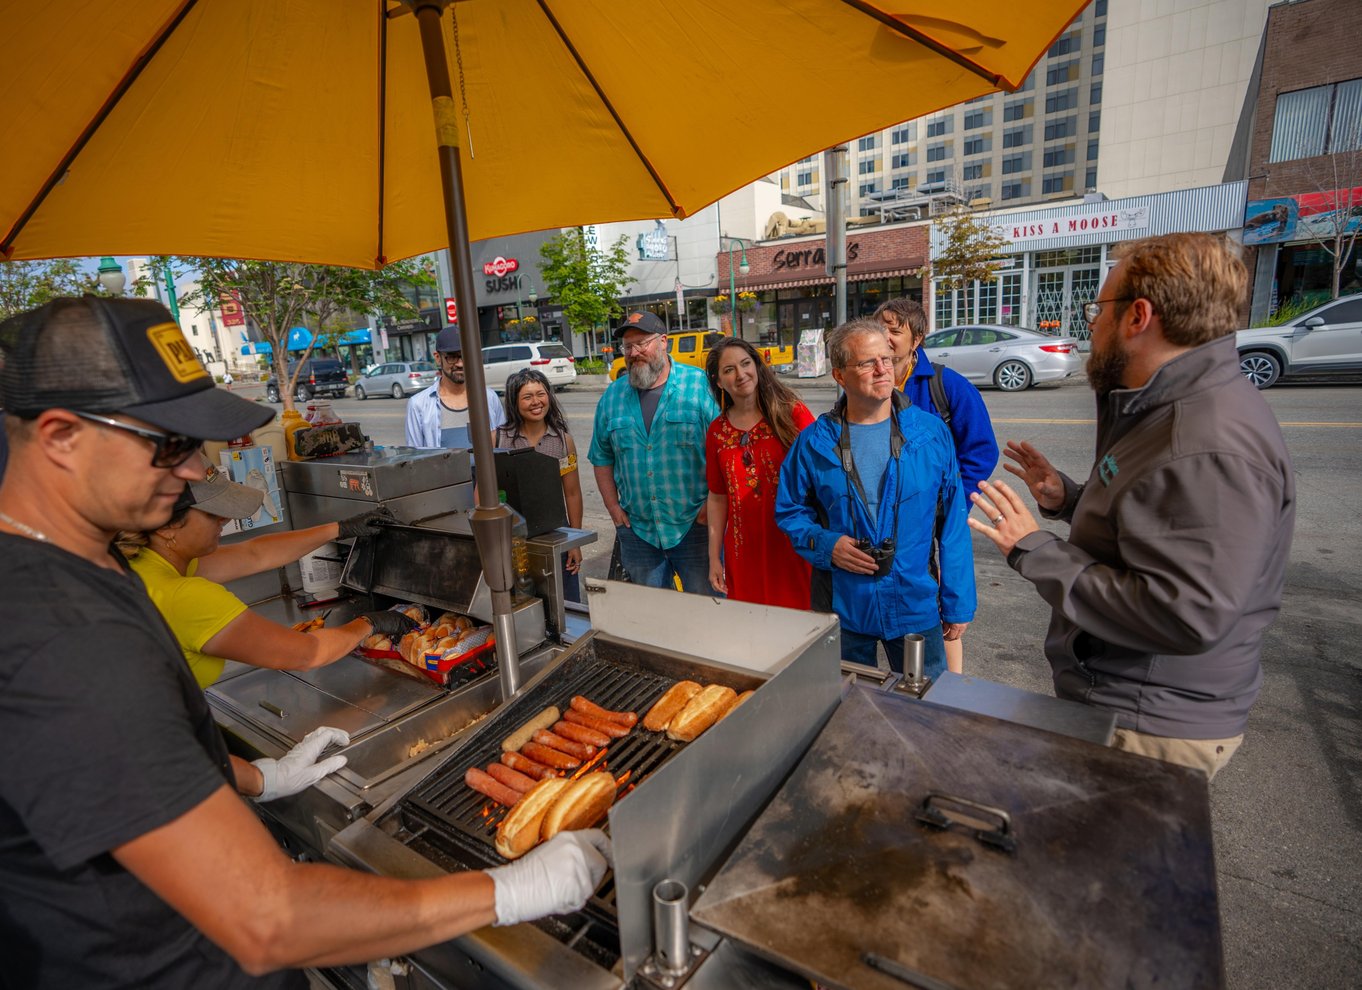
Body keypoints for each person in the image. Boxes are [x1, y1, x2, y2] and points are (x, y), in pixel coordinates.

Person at [0, 296, 609, 988]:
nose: (197, 471)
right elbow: (268, 918)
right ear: (59, 437)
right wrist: (505, 893)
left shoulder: (80, 563)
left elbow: (121, 774)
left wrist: (262, 778)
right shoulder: (64, 643)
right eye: (169, 444)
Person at [968, 233, 1295, 780]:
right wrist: (1069, 499)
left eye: (1099, 308)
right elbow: (1159, 526)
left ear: (1137, 316)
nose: (1092, 324)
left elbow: (1182, 612)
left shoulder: (1204, 441)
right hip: (1128, 702)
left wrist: (1034, 549)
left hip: (1149, 720)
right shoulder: (1169, 406)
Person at [776, 318, 976, 678]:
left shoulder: (930, 435)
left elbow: (952, 525)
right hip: (844, 605)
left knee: (924, 709)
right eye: (867, 362)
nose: (883, 369)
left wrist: (958, 601)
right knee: (852, 708)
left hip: (915, 603)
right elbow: (790, 512)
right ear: (839, 375)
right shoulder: (813, 443)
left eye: (886, 358)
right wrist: (826, 544)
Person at [119, 455, 415, 689]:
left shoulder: (145, 561)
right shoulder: (185, 597)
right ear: (166, 524)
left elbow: (254, 553)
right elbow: (307, 653)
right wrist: (370, 623)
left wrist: (339, 529)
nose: (224, 518)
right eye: (212, 512)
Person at [876, 297, 999, 673]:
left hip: (933, 521)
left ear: (917, 339)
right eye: (879, 327)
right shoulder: (867, 381)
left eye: (894, 330)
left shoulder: (948, 386)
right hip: (885, 521)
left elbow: (981, 452)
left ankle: (949, 692)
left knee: (943, 611)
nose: (884, 337)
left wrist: (946, 504)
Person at [589, 311, 720, 593]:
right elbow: (601, 457)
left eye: (642, 343)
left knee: (709, 615)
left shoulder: (699, 386)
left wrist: (712, 504)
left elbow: (723, 450)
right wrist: (613, 507)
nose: (634, 352)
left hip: (695, 527)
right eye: (628, 347)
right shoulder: (612, 397)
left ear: (663, 342)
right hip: (639, 533)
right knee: (654, 620)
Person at [703, 337, 815, 606]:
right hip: (743, 552)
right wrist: (713, 557)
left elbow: (822, 475)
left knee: (799, 626)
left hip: (793, 544)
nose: (741, 375)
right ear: (718, 381)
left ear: (757, 366)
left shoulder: (791, 413)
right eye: (729, 370)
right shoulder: (717, 432)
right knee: (753, 632)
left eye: (745, 364)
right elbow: (717, 497)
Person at [494, 368, 585, 601]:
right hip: (513, 540)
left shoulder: (563, 441)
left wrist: (575, 542)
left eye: (541, 394)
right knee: (522, 605)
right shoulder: (497, 439)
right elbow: (482, 494)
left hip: (556, 535)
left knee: (565, 606)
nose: (536, 402)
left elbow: (572, 493)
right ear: (514, 402)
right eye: (527, 396)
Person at [405, 324, 505, 448]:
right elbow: (415, 457)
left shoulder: (489, 397)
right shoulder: (418, 404)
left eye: (465, 355)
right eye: (452, 357)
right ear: (437, 358)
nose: (460, 364)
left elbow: (502, 446)